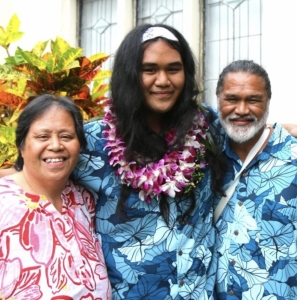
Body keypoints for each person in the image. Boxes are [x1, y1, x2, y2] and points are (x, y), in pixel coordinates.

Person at [71, 24, 227, 299]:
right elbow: (31, 177)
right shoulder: (93, 142)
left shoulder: (208, 128)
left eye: (173, 69)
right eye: (150, 69)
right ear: (130, 74)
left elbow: (256, 132)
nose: (163, 80)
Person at [0, 94, 111, 299]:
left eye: (66, 136)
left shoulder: (84, 198)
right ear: (21, 146)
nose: (56, 145)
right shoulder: (1, 202)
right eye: (43, 136)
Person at [212, 60, 297, 299]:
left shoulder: (292, 156)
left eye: (253, 100)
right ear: (218, 98)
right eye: (231, 99)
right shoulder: (203, 156)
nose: (241, 109)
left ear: (268, 101)